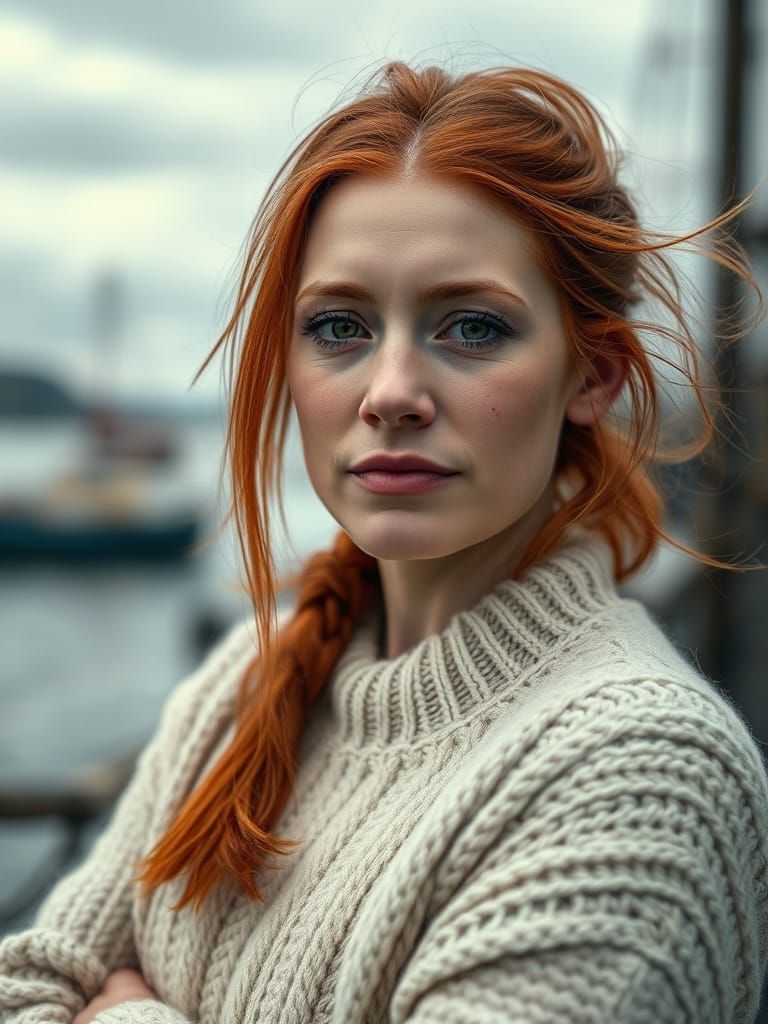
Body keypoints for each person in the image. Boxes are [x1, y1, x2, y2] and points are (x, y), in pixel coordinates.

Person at [1, 58, 767, 1024]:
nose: (391, 391)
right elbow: (24, 984)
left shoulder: (641, 772)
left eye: (473, 327)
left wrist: (119, 1013)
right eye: (340, 326)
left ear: (594, 375)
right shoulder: (252, 678)